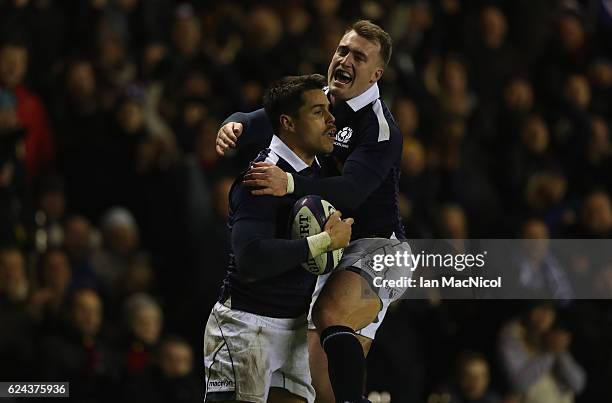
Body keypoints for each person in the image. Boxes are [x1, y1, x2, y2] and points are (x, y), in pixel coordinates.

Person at [216, 20, 412, 403]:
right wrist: (232, 125)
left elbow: (352, 191)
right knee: (318, 389)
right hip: (330, 247)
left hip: (378, 247)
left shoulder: (380, 127)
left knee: (331, 313)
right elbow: (259, 118)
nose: (344, 60)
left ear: (376, 74)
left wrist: (289, 184)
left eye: (358, 56)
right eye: (342, 50)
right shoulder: (316, 100)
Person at [204, 74, 353, 403]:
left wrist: (239, 121)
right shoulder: (261, 177)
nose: (331, 120)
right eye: (318, 112)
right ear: (288, 123)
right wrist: (324, 242)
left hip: (294, 325)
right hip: (246, 327)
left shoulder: (315, 165)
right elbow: (251, 258)